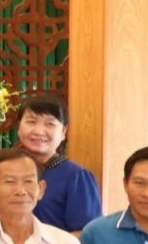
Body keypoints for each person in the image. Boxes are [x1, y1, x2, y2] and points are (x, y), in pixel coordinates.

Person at [18, 93, 104, 232]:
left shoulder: (77, 177)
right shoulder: (9, 169)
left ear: (63, 131)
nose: (39, 131)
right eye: (31, 121)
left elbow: (87, 234)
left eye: (50, 124)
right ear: (19, 126)